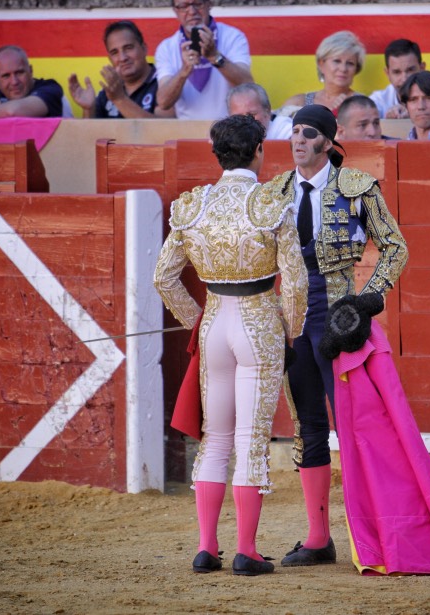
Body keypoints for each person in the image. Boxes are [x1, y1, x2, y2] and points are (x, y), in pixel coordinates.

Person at [153, 114, 308, 576]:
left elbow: (164, 278)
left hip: (215, 325)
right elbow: (295, 282)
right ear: (259, 150)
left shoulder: (192, 205)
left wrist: (196, 321)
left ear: (216, 153)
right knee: (250, 439)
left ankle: (206, 548)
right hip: (258, 322)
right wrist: (291, 330)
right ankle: (247, 551)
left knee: (216, 437)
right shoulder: (271, 203)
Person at [267, 105, 408, 567]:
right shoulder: (274, 192)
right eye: (294, 131)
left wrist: (367, 301)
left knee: (356, 425)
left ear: (329, 140)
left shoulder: (357, 187)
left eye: (308, 133)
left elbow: (395, 247)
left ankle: (378, 532)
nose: (298, 139)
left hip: (339, 318)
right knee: (307, 424)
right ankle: (317, 538)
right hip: (294, 318)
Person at [155, 0, 253, 120]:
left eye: (197, 3)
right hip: (188, 129)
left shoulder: (233, 36)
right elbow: (163, 102)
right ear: (175, 11)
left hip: (231, 126)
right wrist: (183, 71)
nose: (192, 11)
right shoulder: (166, 48)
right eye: (184, 6)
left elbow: (248, 85)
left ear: (209, 4)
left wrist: (214, 56)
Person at [69, 20, 171, 119]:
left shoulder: (165, 82)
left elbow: (164, 128)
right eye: (115, 52)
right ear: (110, 59)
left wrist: (119, 99)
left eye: (128, 48)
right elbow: (91, 130)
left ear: (144, 48)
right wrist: (88, 109)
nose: (122, 58)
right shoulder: (110, 90)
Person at [282, 31, 365, 115]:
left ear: (356, 69)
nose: (343, 69)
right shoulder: (298, 103)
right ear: (321, 64)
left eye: (350, 63)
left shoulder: (364, 105)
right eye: (337, 61)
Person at [369, 38, 425, 119]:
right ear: (387, 73)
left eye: (410, 70)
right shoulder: (378, 101)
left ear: (422, 69)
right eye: (397, 72)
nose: (404, 79)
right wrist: (387, 121)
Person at [226, 82, 292, 139]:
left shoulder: (286, 132)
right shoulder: (225, 136)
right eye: (238, 117)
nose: (245, 122)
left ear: (267, 111)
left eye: (251, 115)